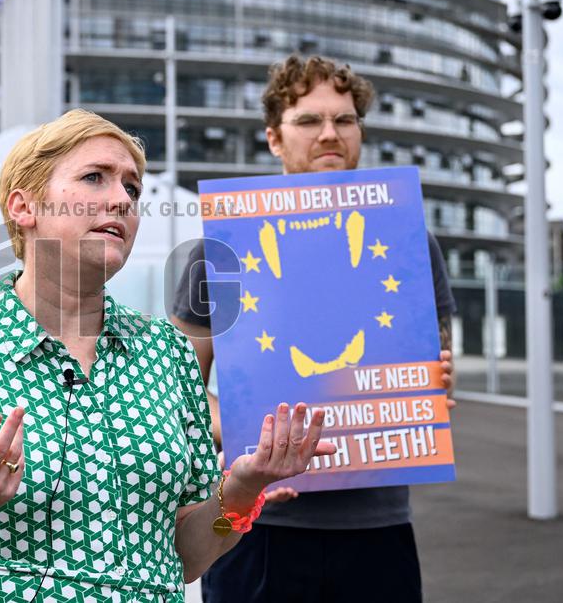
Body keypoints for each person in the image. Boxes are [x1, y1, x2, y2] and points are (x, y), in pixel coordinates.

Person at [0, 109, 336, 602]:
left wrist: (242, 489)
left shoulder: (169, 356)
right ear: (23, 207)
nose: (120, 199)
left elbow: (185, 558)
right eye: (95, 178)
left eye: (132, 190)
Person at [170, 55, 457, 603]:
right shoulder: (221, 248)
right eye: (309, 121)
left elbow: (443, 378)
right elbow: (175, 392)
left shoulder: (412, 244)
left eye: (345, 120)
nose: (330, 134)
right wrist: (251, 436)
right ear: (274, 138)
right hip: (255, 524)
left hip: (378, 525)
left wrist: (435, 387)